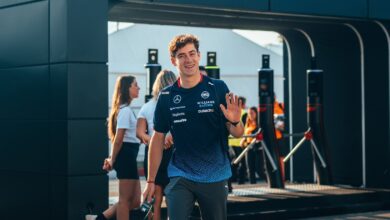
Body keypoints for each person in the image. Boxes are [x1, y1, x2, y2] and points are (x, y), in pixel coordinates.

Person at [143, 34, 244, 220]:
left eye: (192, 53)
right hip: (180, 175)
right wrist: (150, 181)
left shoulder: (218, 88)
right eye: (182, 55)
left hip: (215, 174)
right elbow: (157, 139)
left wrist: (236, 121)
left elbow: (238, 132)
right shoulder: (166, 97)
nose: (188, 59)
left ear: (199, 55)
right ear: (174, 60)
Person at [86, 75, 141, 220]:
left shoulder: (127, 110)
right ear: (126, 88)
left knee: (135, 201)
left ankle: (99, 219)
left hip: (130, 156)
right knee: (124, 201)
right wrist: (112, 159)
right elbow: (118, 139)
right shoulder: (125, 111)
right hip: (126, 156)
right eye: (135, 85)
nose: (138, 87)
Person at [136, 70, 177, 220]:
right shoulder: (177, 103)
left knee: (156, 197)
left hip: (153, 155)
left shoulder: (146, 106)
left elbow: (140, 133)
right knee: (174, 195)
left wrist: (155, 141)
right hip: (173, 152)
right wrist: (166, 139)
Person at [240, 106, 266, 184]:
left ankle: (269, 181)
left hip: (258, 147)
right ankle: (252, 184)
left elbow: (260, 134)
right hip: (249, 147)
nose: (250, 115)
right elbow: (246, 134)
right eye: (249, 113)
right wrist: (243, 140)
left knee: (259, 169)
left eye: (252, 113)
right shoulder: (247, 123)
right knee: (250, 169)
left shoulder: (260, 123)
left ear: (256, 114)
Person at [228, 96, 248, 185]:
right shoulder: (244, 113)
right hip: (240, 142)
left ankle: (232, 181)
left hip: (230, 141)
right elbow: (245, 129)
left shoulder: (230, 112)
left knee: (232, 161)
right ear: (243, 104)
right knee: (242, 162)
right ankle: (241, 181)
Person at [274, 96, 286, 181]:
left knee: (281, 157)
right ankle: (275, 177)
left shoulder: (281, 105)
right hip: (269, 137)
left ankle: (282, 177)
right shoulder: (266, 107)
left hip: (279, 136)